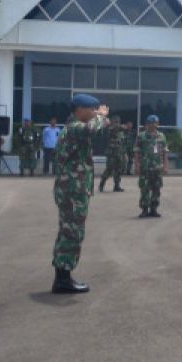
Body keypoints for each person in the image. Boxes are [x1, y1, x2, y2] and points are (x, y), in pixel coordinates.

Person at [49, 94, 110, 294]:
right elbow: (92, 127)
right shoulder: (75, 127)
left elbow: (97, 128)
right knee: (71, 233)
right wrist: (101, 116)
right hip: (72, 191)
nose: (94, 113)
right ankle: (63, 281)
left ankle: (63, 277)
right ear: (80, 109)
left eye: (96, 110)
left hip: (73, 190)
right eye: (92, 110)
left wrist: (102, 120)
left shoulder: (74, 129)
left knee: (69, 232)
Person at [133, 114, 168, 217]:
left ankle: (154, 209)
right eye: (151, 123)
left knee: (156, 189)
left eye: (155, 123)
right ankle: (144, 209)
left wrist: (165, 165)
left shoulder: (161, 136)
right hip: (145, 167)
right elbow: (136, 152)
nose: (153, 125)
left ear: (158, 124)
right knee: (144, 189)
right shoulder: (141, 136)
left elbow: (165, 152)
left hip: (157, 167)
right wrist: (136, 165)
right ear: (147, 124)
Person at [98, 116, 127, 192]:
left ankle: (117, 186)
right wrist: (122, 126)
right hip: (111, 153)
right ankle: (101, 185)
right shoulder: (110, 129)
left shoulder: (121, 132)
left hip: (119, 153)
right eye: (116, 122)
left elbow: (122, 142)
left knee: (118, 170)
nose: (117, 123)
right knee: (109, 170)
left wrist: (123, 153)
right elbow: (117, 128)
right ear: (112, 122)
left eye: (118, 122)